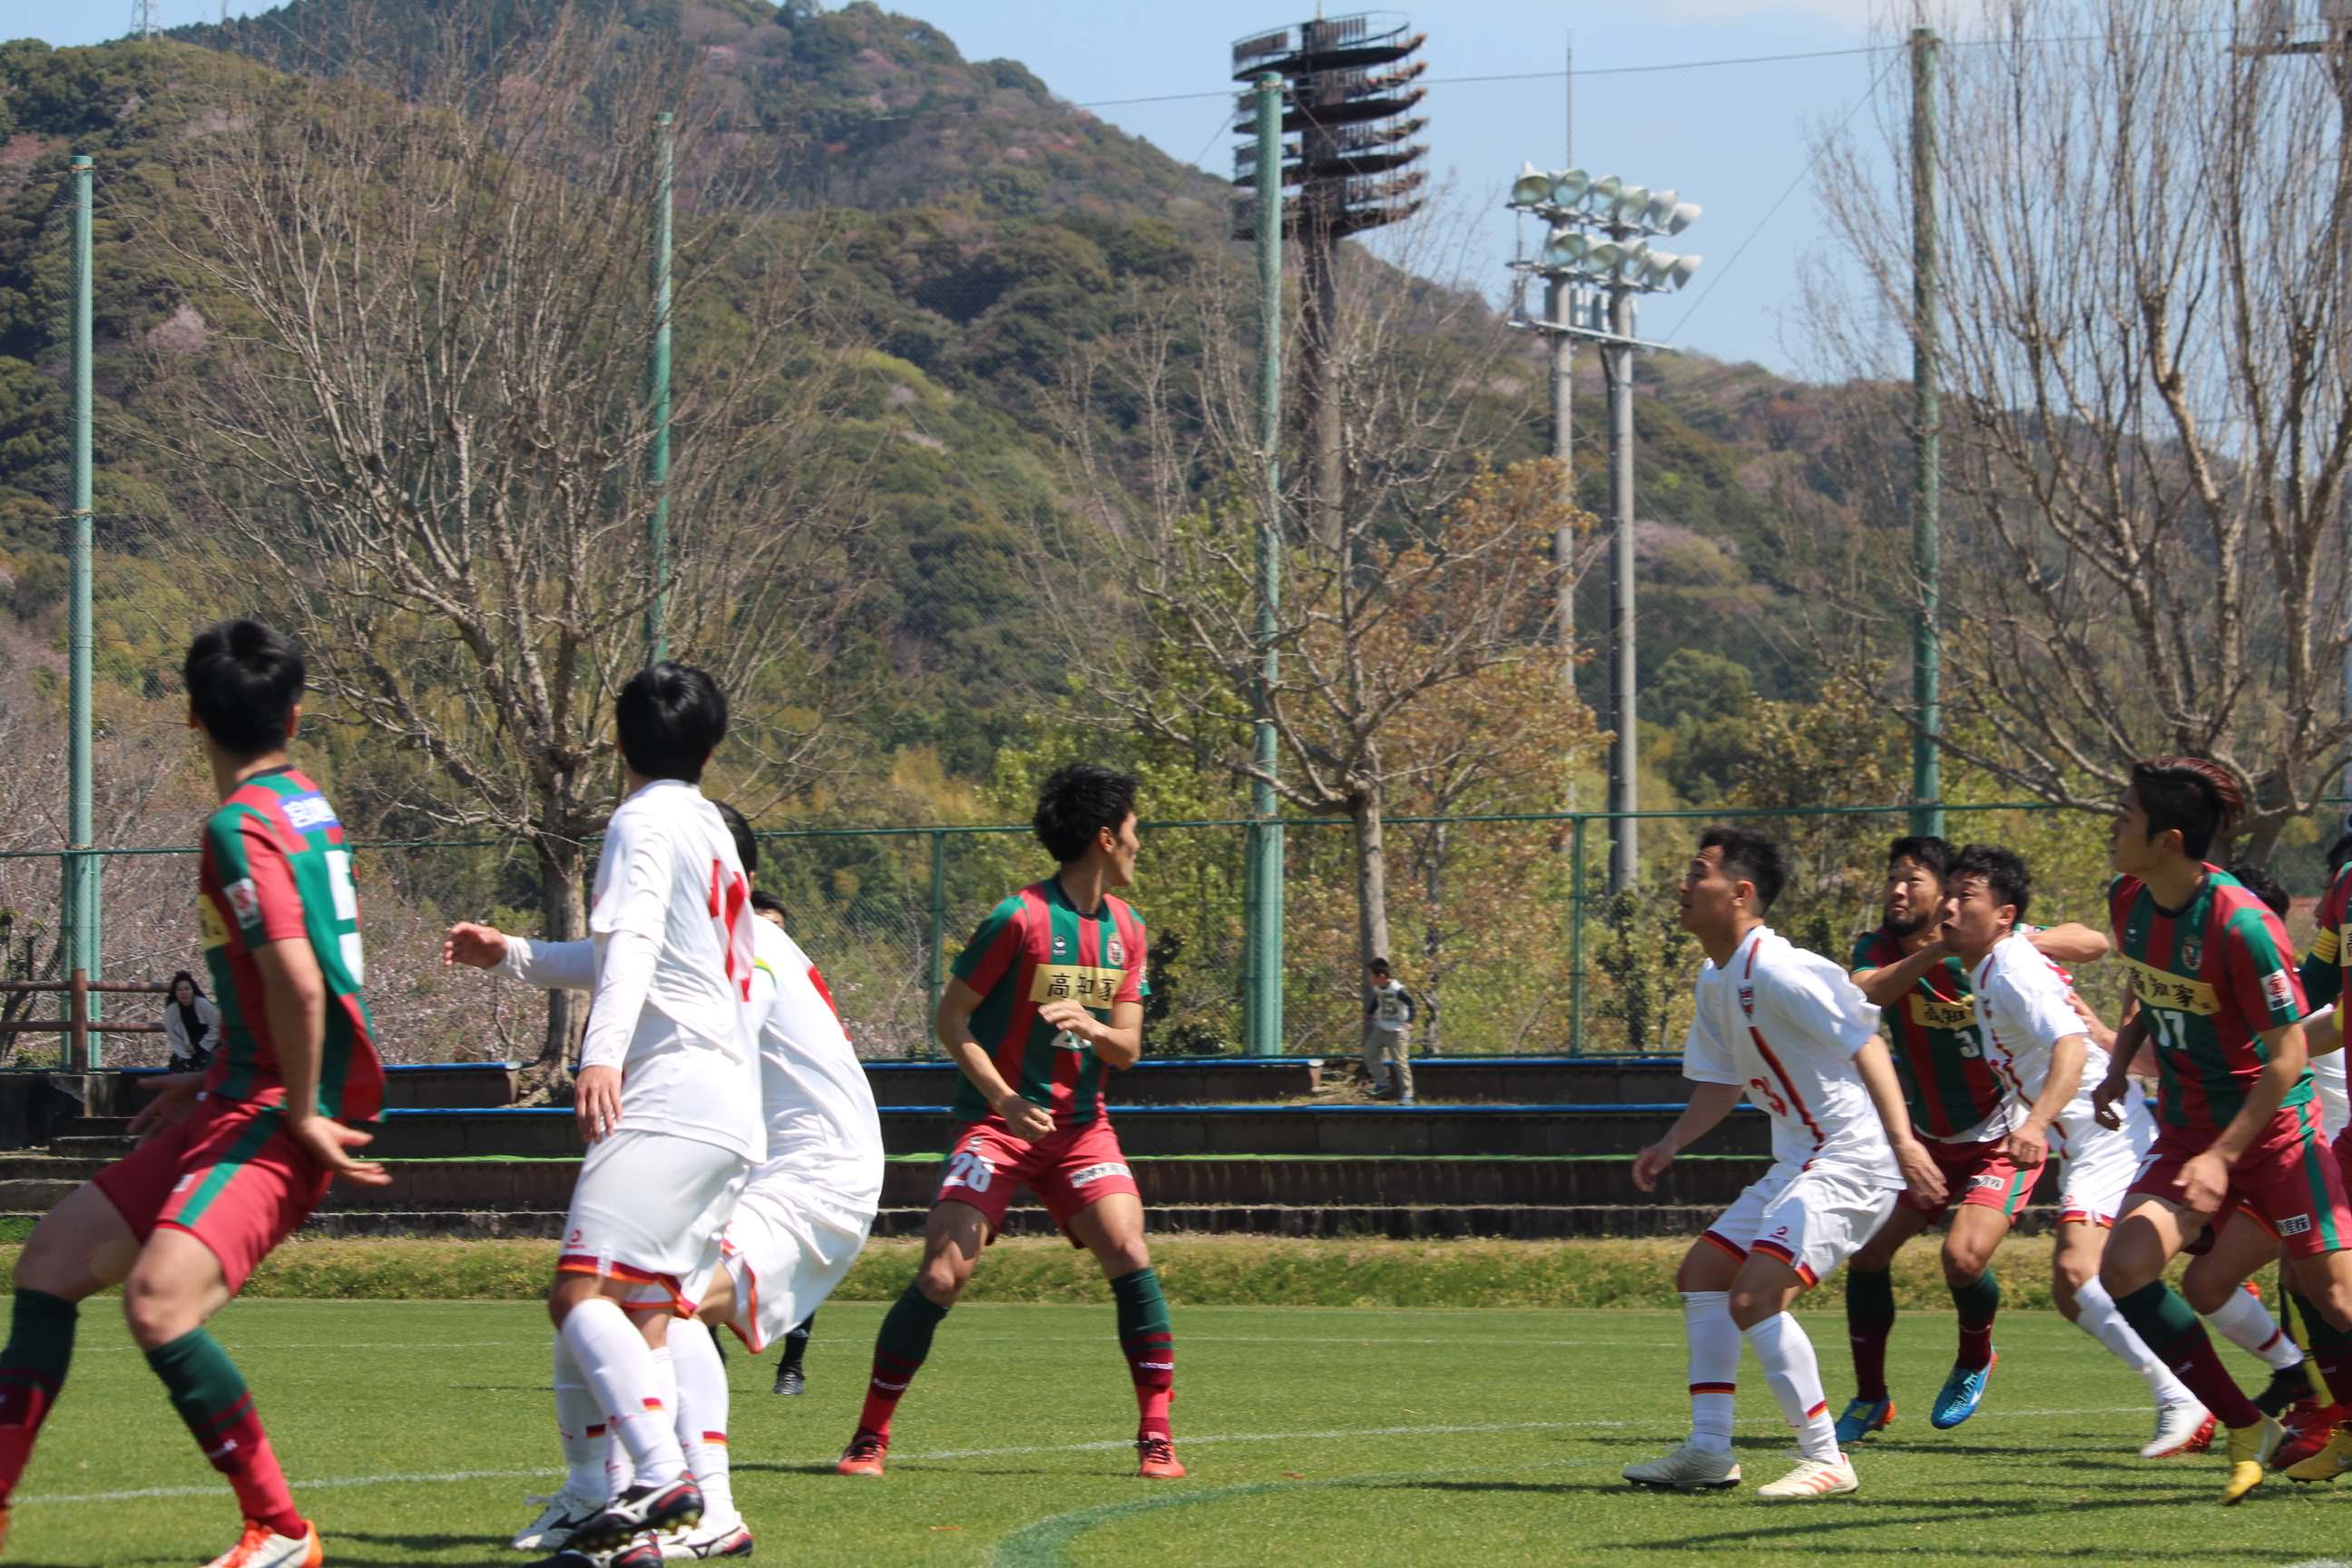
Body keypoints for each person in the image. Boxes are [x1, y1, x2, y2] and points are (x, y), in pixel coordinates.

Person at [0, 618, 389, 1568]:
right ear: (293, 715)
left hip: (277, 1110)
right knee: (49, 1262)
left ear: (189, 714)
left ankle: (281, 1531)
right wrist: (211, 1075)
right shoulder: (306, 805)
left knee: (159, 1305)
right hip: (242, 1093)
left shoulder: (238, 825)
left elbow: (299, 981)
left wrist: (299, 1108)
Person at [456, 811, 881, 1563]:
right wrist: (511, 953)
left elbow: (658, 982)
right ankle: (599, 1494)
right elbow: (615, 958)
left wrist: (619, 1062)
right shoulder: (712, 942)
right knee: (603, 1297)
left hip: (812, 1176)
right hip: (777, 1167)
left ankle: (701, 1508)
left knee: (654, 1305)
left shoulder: (750, 949)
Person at [836, 762, 1181, 1482]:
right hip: (998, 1126)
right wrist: (1003, 1100)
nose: (1139, 842)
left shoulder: (1128, 929)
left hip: (1081, 1128)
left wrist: (1091, 1024)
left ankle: (1156, 1437)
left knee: (1129, 1249)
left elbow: (1126, 1048)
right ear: (1105, 838)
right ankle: (869, 1435)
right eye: (1134, 829)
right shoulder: (1017, 919)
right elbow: (951, 1018)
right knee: (942, 1274)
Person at [505, 663, 764, 1563]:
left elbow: (636, 945)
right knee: (647, 1310)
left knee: (578, 1294)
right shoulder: (710, 828)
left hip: (671, 1090)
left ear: (617, 742)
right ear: (710, 748)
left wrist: (600, 1054)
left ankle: (657, 1478)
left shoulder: (641, 821)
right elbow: (640, 951)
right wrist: (514, 956)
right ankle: (639, 1533)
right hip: (728, 1100)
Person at [1623, 826, 1943, 1501]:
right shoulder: (1716, 978)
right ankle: (1709, 1451)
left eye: (1698, 872)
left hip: (1851, 1161)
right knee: (1704, 1273)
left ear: (1740, 893)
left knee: (1754, 1296)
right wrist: (1671, 1143)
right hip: (1801, 1162)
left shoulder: (1780, 968)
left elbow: (1868, 1042)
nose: (1683, 884)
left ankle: (1826, 1458)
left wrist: (1904, 1141)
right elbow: (1721, 1083)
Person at [2090, 758, 2352, 1502]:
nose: (2113, 826)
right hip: (2187, 1133)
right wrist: (2118, 1067)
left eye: (2126, 815)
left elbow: (2289, 1056)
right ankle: (2246, 1426)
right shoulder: (2130, 899)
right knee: (2125, 1267)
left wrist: (2223, 1156)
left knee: (2334, 1297)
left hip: (2275, 1136)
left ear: (2168, 840)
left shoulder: (2244, 925)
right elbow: (2148, 986)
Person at [1833, 836, 2118, 1445]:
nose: (1897, 890)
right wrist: (1939, 950)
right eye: (1893, 878)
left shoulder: (1991, 943)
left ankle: (1975, 1356)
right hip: (1930, 1139)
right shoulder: (1881, 946)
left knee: (1962, 1261)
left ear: (1948, 895)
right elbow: (1867, 991)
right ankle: (1871, 1397)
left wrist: (2010, 941)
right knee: (1869, 1255)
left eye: (1913, 880)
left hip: (2003, 1134)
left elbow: (2094, 942)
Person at [1944, 844, 2210, 1453]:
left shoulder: (2011, 968)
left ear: (2005, 914)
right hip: (2092, 1137)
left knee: (2080, 1272)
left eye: (1965, 896)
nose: (1949, 907)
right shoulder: (1991, 963)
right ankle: (2255, 1379)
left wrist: (2034, 1124)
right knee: (2083, 1289)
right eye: (1949, 894)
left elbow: (2067, 1043)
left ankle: (2185, 1396)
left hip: (2108, 1135)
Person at [1362, 958, 1416, 1104]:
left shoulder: (1397, 990)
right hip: (1382, 1028)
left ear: (1381, 976)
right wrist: (1369, 1014)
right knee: (1369, 1053)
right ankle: (1382, 1084)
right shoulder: (1378, 987)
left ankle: (1408, 1095)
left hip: (1398, 1031)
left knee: (1400, 1062)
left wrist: (1410, 1021)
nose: (1369, 978)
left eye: (1371, 975)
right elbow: (1376, 1000)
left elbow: (1411, 1004)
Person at [161, 970, 222, 1074]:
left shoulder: (203, 1004)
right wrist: (186, 1054)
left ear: (193, 990)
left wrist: (199, 1047)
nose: (184, 993)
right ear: (175, 992)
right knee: (180, 1067)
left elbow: (216, 1028)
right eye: (179, 990)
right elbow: (174, 1038)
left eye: (187, 989)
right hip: (186, 1049)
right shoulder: (172, 1010)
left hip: (209, 1046)